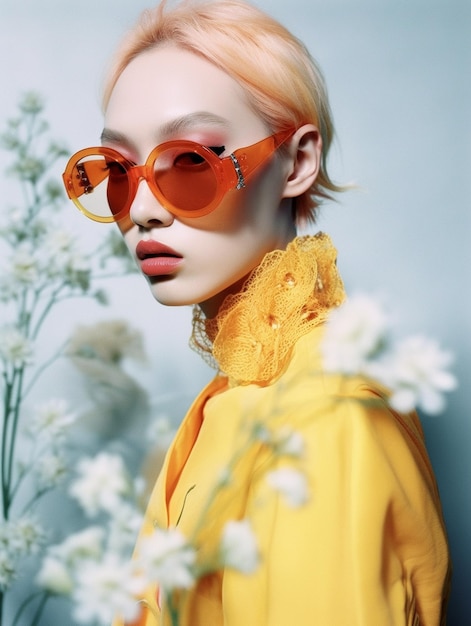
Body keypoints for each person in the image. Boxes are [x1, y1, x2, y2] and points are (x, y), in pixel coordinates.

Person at [62, 1, 450, 624]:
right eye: (117, 171)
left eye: (190, 160)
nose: (140, 210)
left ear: (296, 163)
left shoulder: (329, 416)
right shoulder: (235, 394)